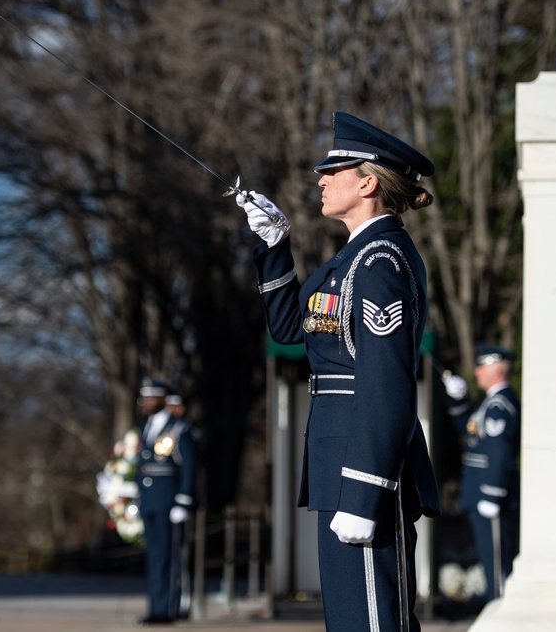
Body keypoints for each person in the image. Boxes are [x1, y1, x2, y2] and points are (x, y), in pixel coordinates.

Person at [237, 112, 441, 631]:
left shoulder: (381, 264)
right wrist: (274, 243)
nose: (321, 180)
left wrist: (366, 489)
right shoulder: (348, 261)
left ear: (368, 182)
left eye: (335, 170)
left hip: (362, 467)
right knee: (352, 620)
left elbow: (387, 386)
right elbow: (288, 329)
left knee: (374, 623)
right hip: (338, 458)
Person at [442, 345, 521, 604]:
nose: (476, 372)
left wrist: (492, 494)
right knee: (490, 562)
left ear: (496, 369)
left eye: (481, 366)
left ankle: (504, 615)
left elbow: (499, 452)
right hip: (480, 496)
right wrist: (459, 398)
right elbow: (468, 429)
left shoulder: (500, 404)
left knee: (497, 564)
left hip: (490, 498)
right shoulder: (489, 403)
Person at [135, 378, 197, 626]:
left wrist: (183, 500)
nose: (145, 403)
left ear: (162, 399)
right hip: (149, 501)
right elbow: (142, 466)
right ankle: (155, 608)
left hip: (168, 502)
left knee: (167, 559)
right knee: (153, 557)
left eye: (150, 398)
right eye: (144, 398)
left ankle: (165, 609)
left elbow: (189, 466)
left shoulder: (178, 429)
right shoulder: (145, 428)